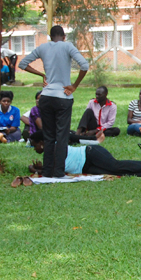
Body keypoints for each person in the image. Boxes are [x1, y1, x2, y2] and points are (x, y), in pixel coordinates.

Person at [18, 25, 89, 178]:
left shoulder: (43, 47)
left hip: (46, 97)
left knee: (48, 136)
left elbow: (22, 64)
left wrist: (41, 74)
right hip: (63, 96)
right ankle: (58, 172)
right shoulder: (68, 46)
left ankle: (48, 171)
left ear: (50, 37)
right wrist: (74, 85)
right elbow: (84, 65)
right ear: (64, 37)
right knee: (62, 136)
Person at [28, 131, 141, 177]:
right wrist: (39, 169)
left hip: (90, 154)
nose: (35, 149)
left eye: (35, 146)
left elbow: (57, 168)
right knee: (113, 173)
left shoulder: (55, 148)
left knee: (115, 166)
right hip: (85, 167)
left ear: (41, 143)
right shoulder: (49, 153)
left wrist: (37, 169)